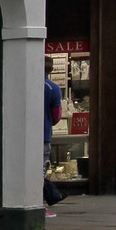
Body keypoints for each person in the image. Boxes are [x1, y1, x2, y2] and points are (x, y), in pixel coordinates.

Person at [43, 57, 65, 214]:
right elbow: (56, 116)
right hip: (43, 135)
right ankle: (38, 205)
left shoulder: (24, 84)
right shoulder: (53, 89)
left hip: (22, 138)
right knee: (39, 173)